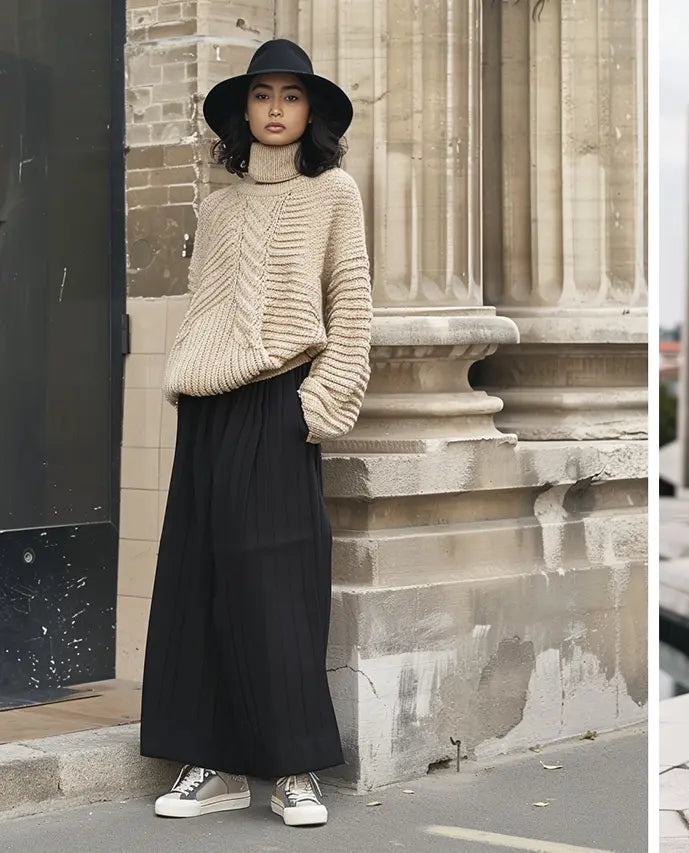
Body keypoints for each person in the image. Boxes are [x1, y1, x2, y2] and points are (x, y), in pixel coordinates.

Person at [139, 38, 372, 828]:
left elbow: (352, 303)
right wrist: (187, 385)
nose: (275, 109)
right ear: (244, 109)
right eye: (262, 95)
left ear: (311, 112)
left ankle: (293, 765)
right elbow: (209, 305)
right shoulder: (217, 202)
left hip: (282, 400)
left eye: (291, 96)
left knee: (275, 581)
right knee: (199, 581)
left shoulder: (334, 192)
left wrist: (322, 402)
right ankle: (212, 762)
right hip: (209, 405)